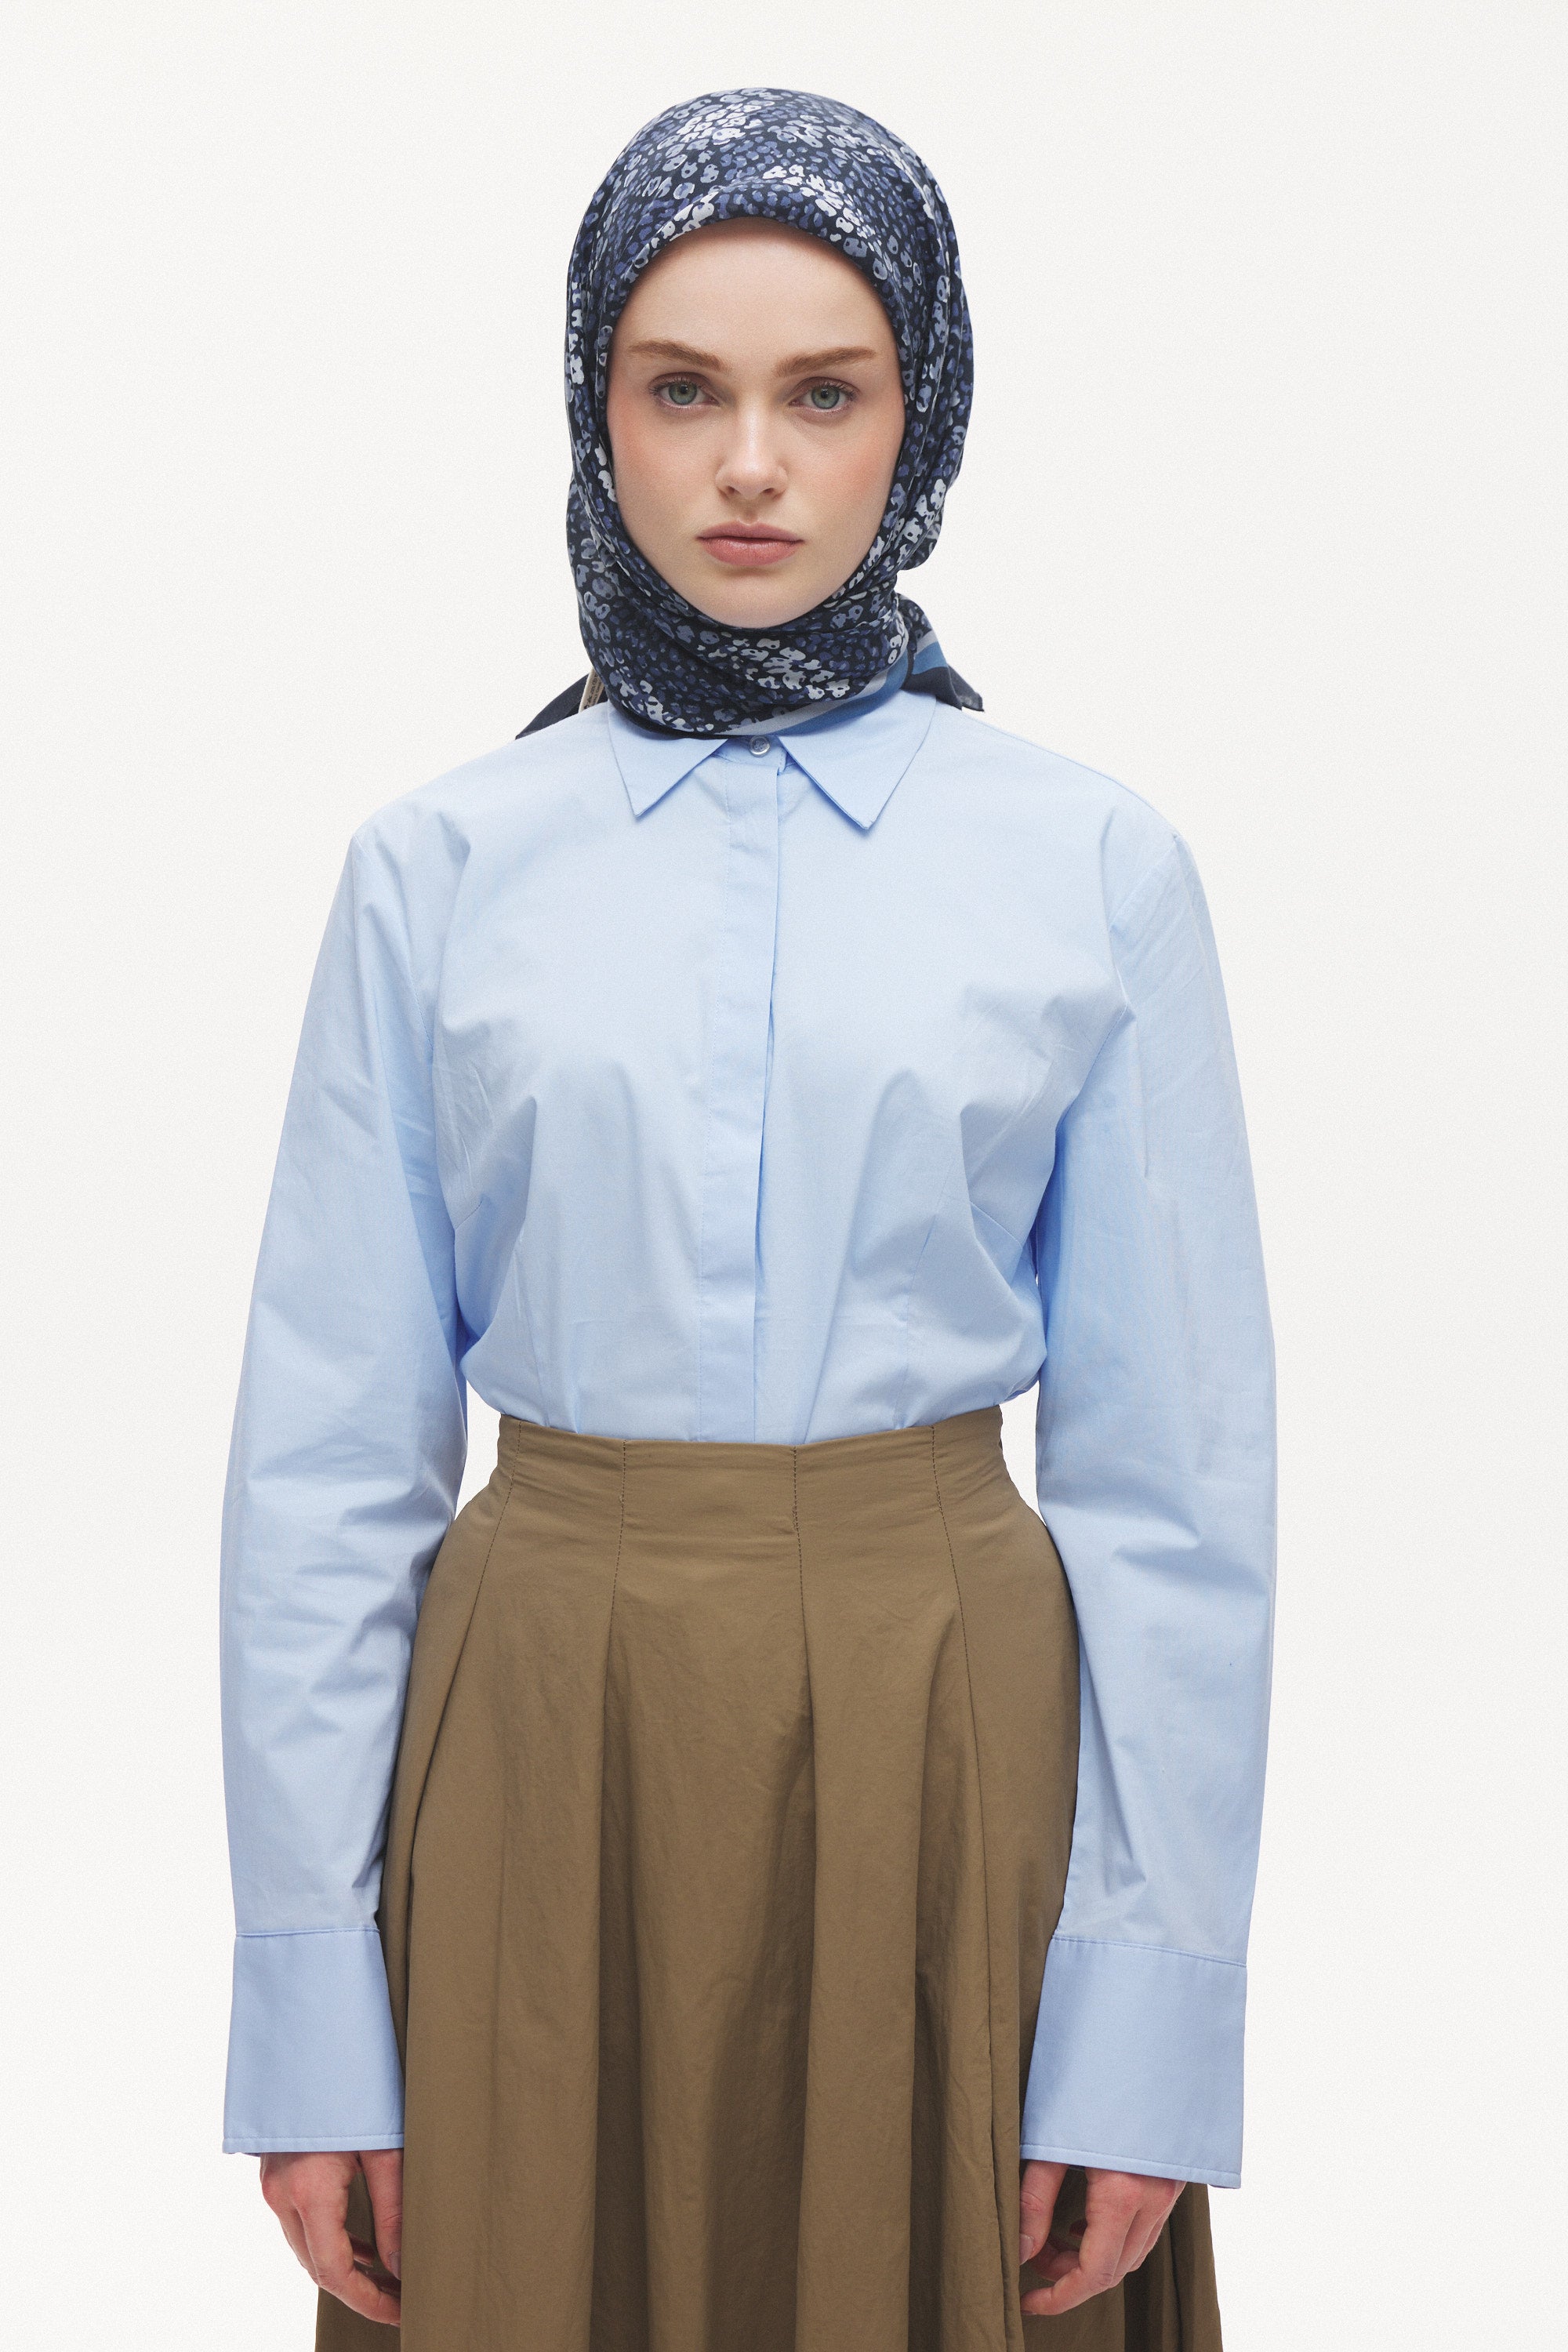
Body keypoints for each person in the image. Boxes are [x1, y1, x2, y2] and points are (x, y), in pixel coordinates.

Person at [220, 87, 1276, 2352]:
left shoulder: (1089, 864)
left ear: (925, 416)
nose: (752, 467)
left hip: (949, 1741)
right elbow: (326, 1471)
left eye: (827, 392)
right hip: (537, 1754)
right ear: (593, 406)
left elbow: (1178, 1494)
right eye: (682, 389)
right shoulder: (439, 868)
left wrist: (1152, 2024)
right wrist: (308, 2013)